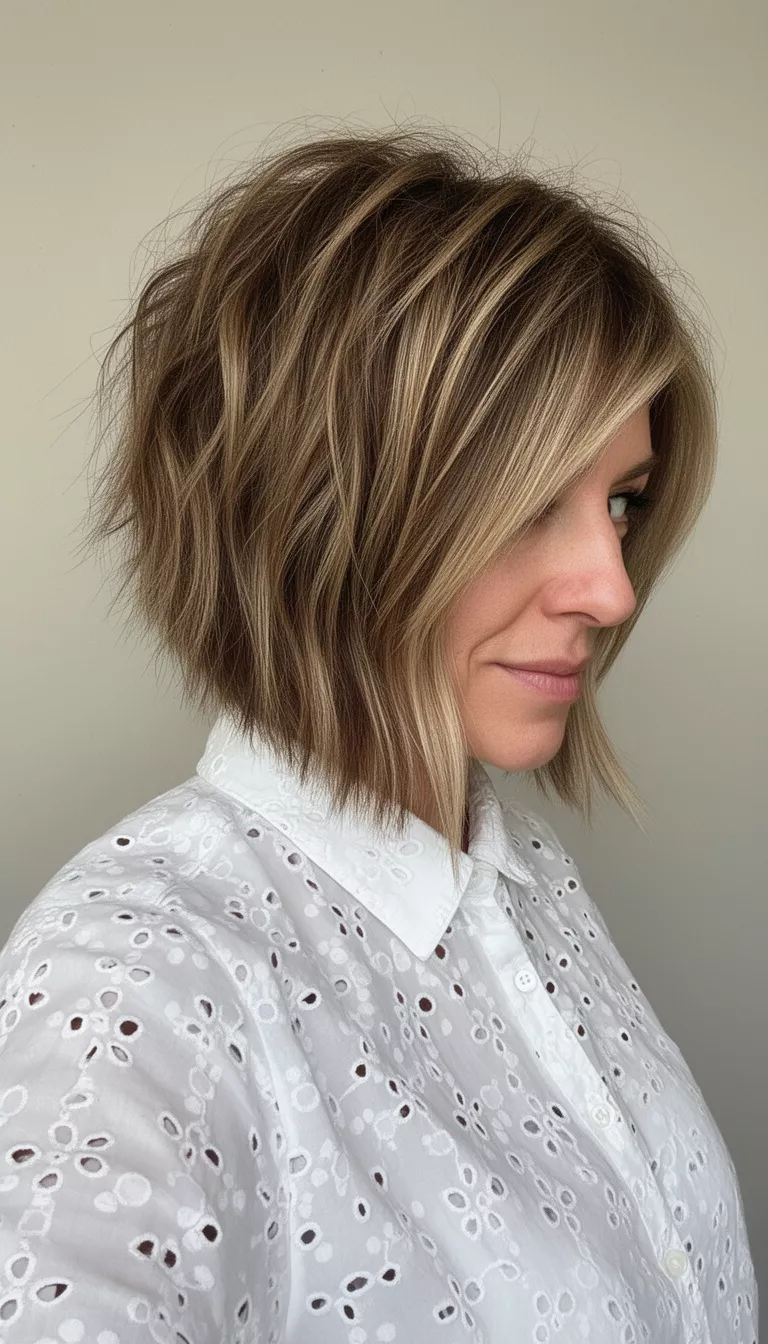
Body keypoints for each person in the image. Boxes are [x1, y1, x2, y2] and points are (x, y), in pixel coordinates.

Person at [0, 126, 757, 1343]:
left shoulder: (527, 885)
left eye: (622, 503)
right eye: (529, 503)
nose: (613, 591)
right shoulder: (132, 985)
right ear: (324, 514)